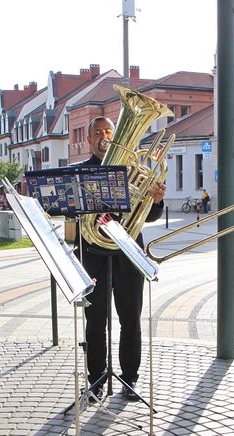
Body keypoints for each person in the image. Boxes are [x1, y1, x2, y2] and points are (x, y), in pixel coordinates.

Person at [79, 116, 165, 401]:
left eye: (108, 132)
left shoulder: (131, 170)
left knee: (131, 320)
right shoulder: (81, 174)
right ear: (89, 140)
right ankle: (96, 379)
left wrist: (155, 199)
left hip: (128, 255)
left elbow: (149, 216)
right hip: (93, 256)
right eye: (97, 132)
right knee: (95, 323)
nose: (103, 137)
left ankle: (130, 379)